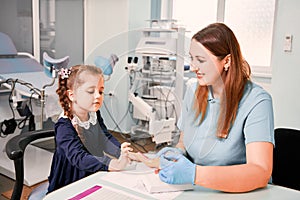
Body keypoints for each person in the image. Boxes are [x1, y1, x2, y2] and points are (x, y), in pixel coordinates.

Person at [156, 23, 274, 193]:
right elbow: (184, 142)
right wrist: (177, 154)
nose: (193, 67)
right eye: (192, 58)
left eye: (201, 60)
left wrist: (195, 174)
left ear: (226, 61)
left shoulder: (257, 101)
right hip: (197, 190)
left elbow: (260, 172)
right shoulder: (193, 90)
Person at [47, 65, 132, 193]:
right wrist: (110, 164)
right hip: (72, 180)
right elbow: (79, 158)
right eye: (91, 91)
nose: (98, 96)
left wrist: (120, 151)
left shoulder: (94, 114)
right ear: (72, 95)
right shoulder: (64, 126)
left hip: (95, 170)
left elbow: (104, 138)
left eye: (101, 91)